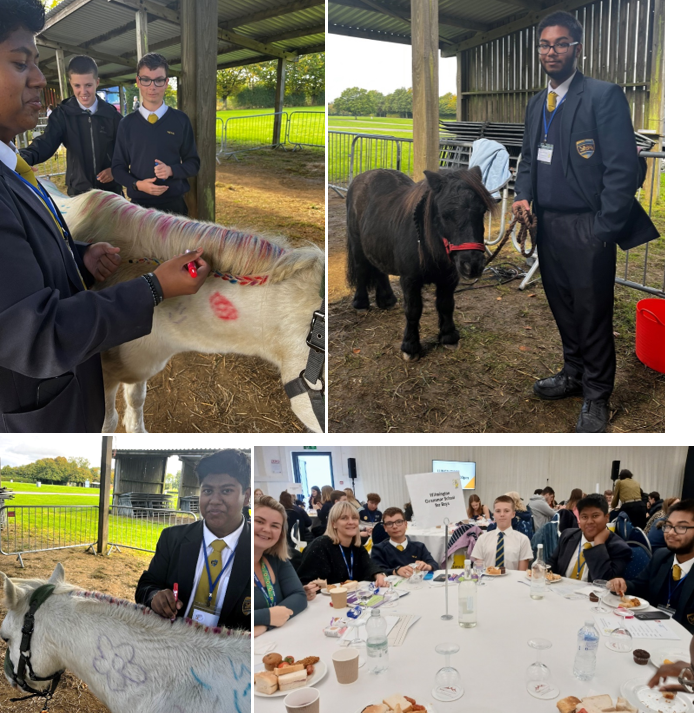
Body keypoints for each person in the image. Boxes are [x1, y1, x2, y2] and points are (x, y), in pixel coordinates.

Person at [0, 0, 209, 432]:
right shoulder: (95, 123)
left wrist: (77, 257)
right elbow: (35, 330)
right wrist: (153, 287)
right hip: (41, 413)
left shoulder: (17, 173)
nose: (41, 79)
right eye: (21, 63)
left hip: (148, 207)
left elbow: (192, 163)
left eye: (36, 63)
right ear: (138, 82)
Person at [512, 11, 658, 433]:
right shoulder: (537, 103)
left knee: (592, 313)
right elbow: (528, 158)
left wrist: (602, 228)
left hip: (587, 228)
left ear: (577, 48)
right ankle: (573, 374)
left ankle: (597, 395)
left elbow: (623, 169)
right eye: (544, 44)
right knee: (563, 306)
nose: (551, 51)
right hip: (547, 225)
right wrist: (523, 196)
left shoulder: (602, 95)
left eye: (560, 43)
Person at [135, 449, 251, 630]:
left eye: (226, 491)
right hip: (174, 644)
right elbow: (146, 585)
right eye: (207, 490)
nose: (214, 500)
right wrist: (155, 596)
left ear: (247, 496)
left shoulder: (258, 548)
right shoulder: (172, 539)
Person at [20, 54, 122, 196]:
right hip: (78, 192)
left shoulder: (112, 115)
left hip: (111, 192)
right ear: (70, 83)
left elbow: (125, 149)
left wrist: (115, 170)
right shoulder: (62, 115)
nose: (83, 92)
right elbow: (46, 143)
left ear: (97, 82)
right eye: (77, 86)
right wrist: (21, 158)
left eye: (88, 85)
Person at [112, 52, 199, 216]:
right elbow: (117, 168)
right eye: (146, 80)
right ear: (138, 82)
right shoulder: (127, 124)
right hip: (139, 209)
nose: (152, 87)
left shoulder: (180, 120)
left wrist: (171, 170)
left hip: (175, 208)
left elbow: (193, 163)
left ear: (166, 82)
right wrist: (137, 184)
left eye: (159, 80)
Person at [608, 500, 694, 635]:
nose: (671, 532)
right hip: (650, 630)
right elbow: (639, 586)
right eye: (668, 526)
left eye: (682, 527)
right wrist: (622, 585)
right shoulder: (662, 557)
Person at [253, 495, 312, 638]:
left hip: (274, 640)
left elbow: (299, 596)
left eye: (275, 526)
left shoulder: (277, 559)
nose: (267, 529)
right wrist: (267, 615)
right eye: (259, 521)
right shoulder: (228, 562)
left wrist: (266, 624)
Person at [297, 501, 389, 587]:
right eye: (344, 518)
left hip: (352, 598)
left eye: (354, 518)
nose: (351, 522)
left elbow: (369, 565)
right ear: (334, 524)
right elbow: (304, 581)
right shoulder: (320, 546)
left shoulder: (356, 547)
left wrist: (378, 574)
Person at [548, 493, 631, 581]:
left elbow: (605, 583)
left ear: (607, 517)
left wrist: (599, 545)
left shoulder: (619, 548)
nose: (589, 521)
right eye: (584, 517)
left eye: (595, 516)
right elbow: (551, 565)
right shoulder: (567, 536)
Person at [470, 495, 533, 571]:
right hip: (487, 582)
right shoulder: (482, 539)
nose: (502, 514)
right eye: (498, 511)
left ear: (513, 514)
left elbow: (521, 574)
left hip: (513, 582)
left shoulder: (523, 540)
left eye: (506, 511)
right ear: (494, 514)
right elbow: (479, 571)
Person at [371, 507, 438, 577]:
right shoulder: (378, 549)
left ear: (406, 524)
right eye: (389, 523)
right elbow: (377, 571)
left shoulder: (419, 547)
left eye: (399, 522)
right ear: (385, 528)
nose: (394, 526)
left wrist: (427, 566)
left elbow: (434, 564)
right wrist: (396, 571)